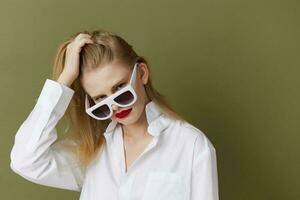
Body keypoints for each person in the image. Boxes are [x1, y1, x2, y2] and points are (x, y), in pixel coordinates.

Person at [10, 30, 219, 200]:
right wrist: (65, 79)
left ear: (142, 74)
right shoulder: (92, 150)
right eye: (101, 99)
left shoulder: (191, 145)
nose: (116, 106)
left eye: (120, 88)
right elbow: (25, 160)